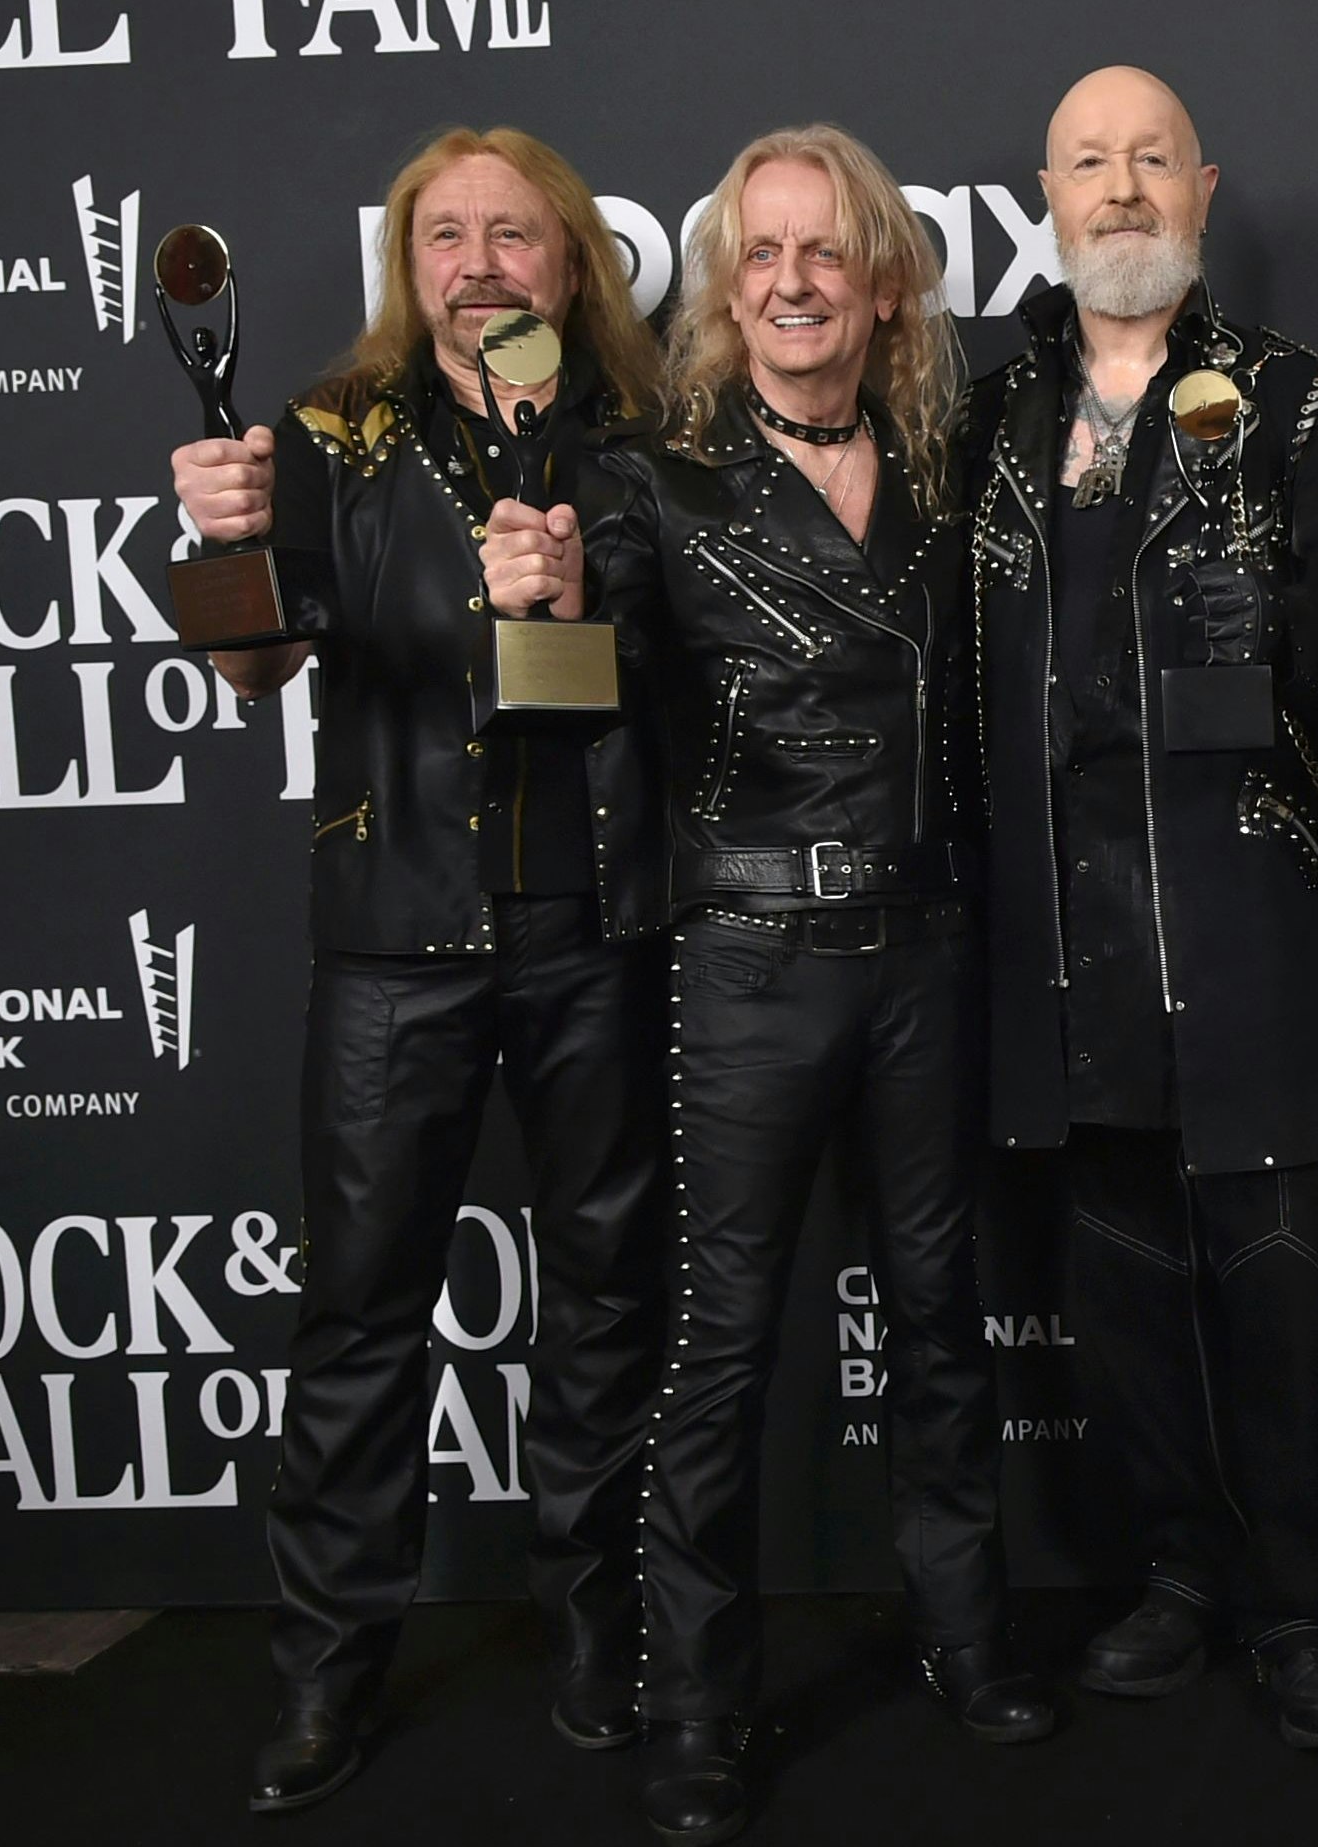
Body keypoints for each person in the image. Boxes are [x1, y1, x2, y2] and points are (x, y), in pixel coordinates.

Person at [482, 124, 1050, 1847]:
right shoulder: (660, 481)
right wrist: (544, 610)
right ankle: (699, 1704)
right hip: (742, 967)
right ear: (731, 292)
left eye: (826, 253)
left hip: (926, 957)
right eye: (762, 256)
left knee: (942, 1330)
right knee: (720, 1349)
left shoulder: (950, 476)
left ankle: (962, 1639)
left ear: (887, 285)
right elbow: (576, 704)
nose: (793, 281)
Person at [169, 125, 668, 1815]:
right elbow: (252, 668)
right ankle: (327, 1677)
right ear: (409, 264)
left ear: (570, 261)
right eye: (444, 234)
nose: (477, 264)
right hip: (396, 934)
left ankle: (599, 1635)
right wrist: (227, 548)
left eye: (512, 235)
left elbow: (677, 678)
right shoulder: (325, 433)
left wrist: (582, 597)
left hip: (596, 927)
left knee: (608, 1304)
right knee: (363, 1317)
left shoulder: (638, 437)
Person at [963, 65, 1318, 1751]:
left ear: (1207, 192)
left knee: (1285, 1299)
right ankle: (1177, 1579)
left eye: (1154, 159)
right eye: (1091, 161)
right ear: (1050, 196)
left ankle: (1307, 1604)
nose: (1125, 189)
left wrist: (1292, 618)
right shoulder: (987, 423)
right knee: (1126, 1304)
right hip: (1065, 950)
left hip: (1258, 939)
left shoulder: (1299, 407)